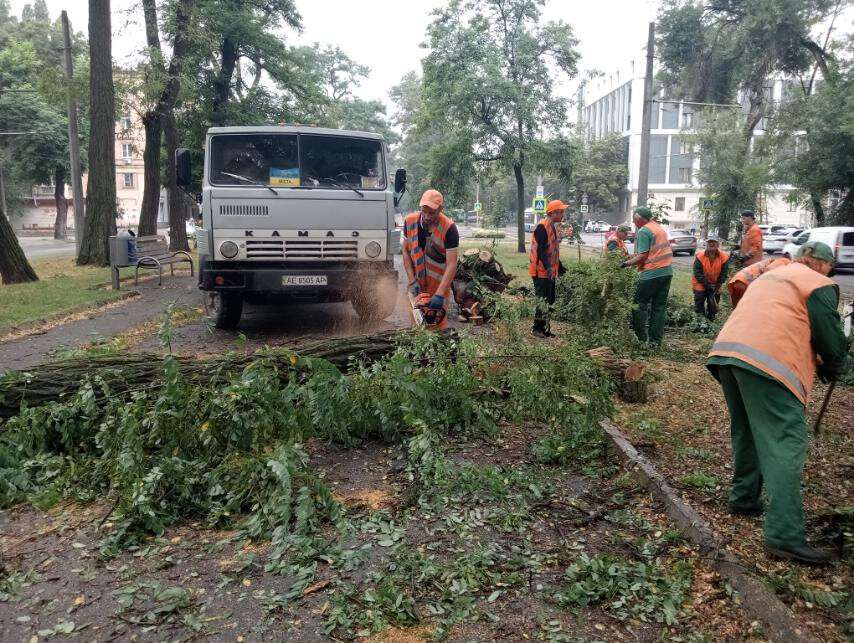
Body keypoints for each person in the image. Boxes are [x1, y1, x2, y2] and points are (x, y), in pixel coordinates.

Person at [707, 241, 848, 565]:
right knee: (785, 440)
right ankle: (784, 535)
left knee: (746, 428)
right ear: (820, 263)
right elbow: (829, 335)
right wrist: (836, 360)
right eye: (830, 267)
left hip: (728, 352)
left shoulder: (773, 274)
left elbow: (739, 286)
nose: (831, 273)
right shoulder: (818, 284)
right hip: (769, 362)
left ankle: (743, 498)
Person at [402, 189, 459, 329]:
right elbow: (405, 252)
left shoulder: (449, 228)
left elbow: (452, 264)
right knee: (416, 326)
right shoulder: (409, 221)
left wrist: (440, 294)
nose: (427, 216)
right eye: (424, 211)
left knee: (437, 328)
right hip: (416, 285)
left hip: (439, 286)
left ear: (441, 209)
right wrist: (411, 280)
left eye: (432, 213)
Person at [621, 206, 673, 346]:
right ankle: (655, 342)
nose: (633, 222)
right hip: (667, 271)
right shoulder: (657, 227)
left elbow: (643, 256)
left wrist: (625, 264)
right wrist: (633, 257)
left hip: (652, 274)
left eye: (634, 219)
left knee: (638, 304)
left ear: (639, 219)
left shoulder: (644, 230)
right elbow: (652, 251)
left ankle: (641, 339)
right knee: (659, 307)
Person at [529, 199, 567, 338]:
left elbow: (553, 250)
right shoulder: (542, 227)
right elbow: (541, 251)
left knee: (550, 299)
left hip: (550, 270)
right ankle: (537, 329)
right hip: (540, 271)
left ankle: (545, 328)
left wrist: (560, 267)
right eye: (561, 211)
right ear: (553, 213)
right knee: (542, 300)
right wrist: (548, 268)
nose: (563, 214)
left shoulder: (553, 227)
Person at [727, 256, 791, 308]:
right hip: (745, 283)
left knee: (738, 311)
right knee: (749, 310)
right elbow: (769, 271)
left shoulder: (771, 261)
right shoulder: (784, 262)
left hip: (737, 281)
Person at [691, 235, 730, 320]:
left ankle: (711, 320)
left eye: (714, 242)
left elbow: (724, 273)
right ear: (706, 244)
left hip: (715, 283)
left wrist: (718, 285)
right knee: (699, 301)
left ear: (718, 245)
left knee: (713, 304)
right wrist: (707, 285)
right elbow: (697, 273)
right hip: (700, 282)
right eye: (709, 242)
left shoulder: (724, 257)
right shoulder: (700, 256)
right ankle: (700, 321)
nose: (711, 244)